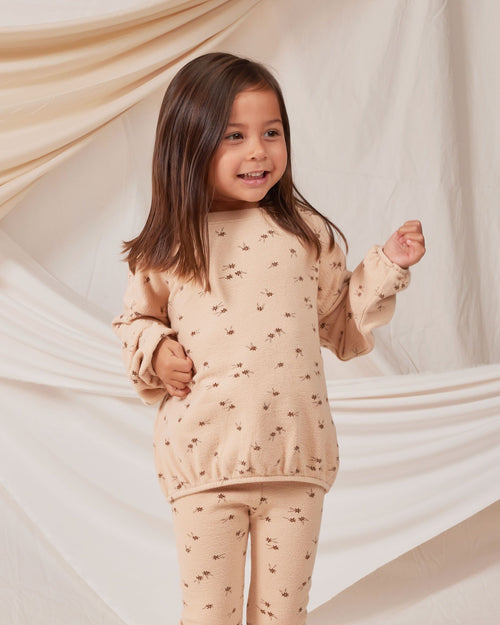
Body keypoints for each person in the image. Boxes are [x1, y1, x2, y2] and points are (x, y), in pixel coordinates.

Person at [112, 52, 425, 625]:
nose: (258, 151)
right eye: (234, 135)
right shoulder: (172, 245)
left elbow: (339, 321)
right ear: (189, 143)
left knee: (284, 616)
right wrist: (156, 349)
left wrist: (386, 265)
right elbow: (134, 322)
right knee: (208, 615)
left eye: (271, 132)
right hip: (207, 464)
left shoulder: (306, 235)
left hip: (295, 463)